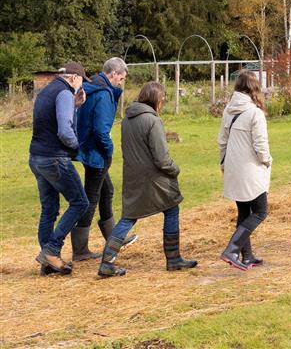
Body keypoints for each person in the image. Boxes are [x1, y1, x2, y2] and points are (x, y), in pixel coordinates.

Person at [98, 82, 196, 277]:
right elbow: (162, 158)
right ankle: (173, 258)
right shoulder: (153, 121)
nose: (163, 101)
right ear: (155, 99)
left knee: (128, 217)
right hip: (155, 179)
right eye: (162, 97)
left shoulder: (126, 120)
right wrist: (175, 169)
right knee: (172, 208)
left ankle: (107, 262)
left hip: (133, 177)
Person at [72, 57, 136, 261]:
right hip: (96, 153)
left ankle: (114, 237)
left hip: (88, 150)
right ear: (114, 73)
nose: (121, 82)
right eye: (121, 78)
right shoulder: (103, 93)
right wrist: (109, 150)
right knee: (91, 198)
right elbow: (101, 130)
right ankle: (80, 249)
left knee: (106, 190)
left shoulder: (92, 88)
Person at [29, 62, 90, 275]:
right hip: (54, 158)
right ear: (73, 78)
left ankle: (48, 262)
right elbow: (64, 131)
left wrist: (75, 105)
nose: (81, 85)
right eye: (81, 80)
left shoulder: (46, 91)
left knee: (49, 209)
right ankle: (52, 250)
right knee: (80, 202)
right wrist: (77, 147)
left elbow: (51, 119)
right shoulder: (64, 93)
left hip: (36, 157)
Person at [218, 71, 272, 270]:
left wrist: (223, 164)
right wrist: (267, 161)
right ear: (254, 88)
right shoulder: (255, 113)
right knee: (260, 211)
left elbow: (222, 141)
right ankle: (232, 249)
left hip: (233, 167)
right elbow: (261, 146)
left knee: (243, 212)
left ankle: (246, 255)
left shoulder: (228, 110)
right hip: (251, 170)